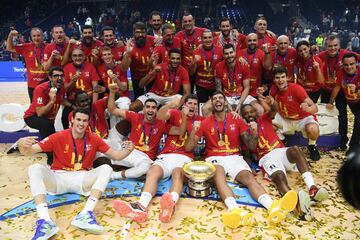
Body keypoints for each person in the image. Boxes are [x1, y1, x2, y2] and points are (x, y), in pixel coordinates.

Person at [185, 90, 298, 228]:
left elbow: (251, 146)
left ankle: (272, 206)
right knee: (219, 176)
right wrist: (193, 132)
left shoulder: (236, 119)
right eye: (215, 99)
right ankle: (235, 210)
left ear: (225, 102)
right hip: (215, 158)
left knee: (249, 179)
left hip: (235, 157)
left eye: (221, 98)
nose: (218, 101)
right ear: (211, 103)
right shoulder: (204, 122)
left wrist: (255, 132)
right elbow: (189, 148)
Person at [18, 108, 135, 240]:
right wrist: (22, 144)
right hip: (58, 179)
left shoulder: (94, 138)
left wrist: (128, 151)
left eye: (85, 121)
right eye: (78, 119)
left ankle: (86, 214)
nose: (81, 123)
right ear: (72, 120)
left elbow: (116, 156)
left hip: (82, 179)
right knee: (35, 168)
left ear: (88, 122)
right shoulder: (58, 136)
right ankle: (44, 221)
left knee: (106, 168)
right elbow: (29, 151)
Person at [113, 95, 204, 223]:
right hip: (166, 155)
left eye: (195, 104)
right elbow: (160, 117)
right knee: (152, 172)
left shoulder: (200, 121)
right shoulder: (174, 113)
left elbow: (189, 147)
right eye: (190, 103)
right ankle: (140, 207)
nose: (193, 106)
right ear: (184, 105)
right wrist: (170, 105)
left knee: (177, 175)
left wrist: (194, 131)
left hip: (184, 156)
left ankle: (169, 205)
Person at [241, 98, 329, 220]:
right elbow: (249, 150)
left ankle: (312, 188)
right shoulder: (243, 131)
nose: (249, 115)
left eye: (251, 112)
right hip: (266, 158)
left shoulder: (264, 119)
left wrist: (272, 102)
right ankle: (297, 206)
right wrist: (254, 132)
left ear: (256, 112)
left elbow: (275, 109)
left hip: (280, 151)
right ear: (242, 116)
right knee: (279, 177)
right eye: (245, 113)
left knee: (295, 149)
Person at [107, 84, 178, 179]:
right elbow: (112, 110)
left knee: (145, 168)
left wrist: (184, 116)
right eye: (148, 107)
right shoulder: (135, 116)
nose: (150, 109)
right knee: (104, 143)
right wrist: (112, 93)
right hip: (128, 151)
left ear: (157, 111)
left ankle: (114, 175)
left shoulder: (161, 124)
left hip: (144, 158)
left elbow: (179, 131)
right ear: (143, 109)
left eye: (153, 107)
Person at [270, 66, 321, 161]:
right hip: (285, 118)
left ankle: (312, 146)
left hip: (302, 118)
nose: (280, 80)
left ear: (287, 78)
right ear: (274, 80)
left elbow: (315, 108)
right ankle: (282, 140)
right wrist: (267, 101)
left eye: (282, 77)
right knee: (268, 124)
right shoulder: (273, 89)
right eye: (277, 78)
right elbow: (274, 107)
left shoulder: (296, 89)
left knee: (313, 129)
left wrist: (308, 109)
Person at [23, 66, 71, 165]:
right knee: (48, 127)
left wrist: (74, 106)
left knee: (49, 130)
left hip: (47, 119)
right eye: (56, 76)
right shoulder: (41, 89)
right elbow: (40, 113)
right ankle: (51, 159)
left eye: (61, 76)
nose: (59, 78)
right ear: (50, 77)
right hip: (32, 117)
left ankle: (50, 153)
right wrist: (51, 101)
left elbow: (62, 100)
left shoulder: (61, 88)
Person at [319, 35, 351, 150]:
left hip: (341, 91)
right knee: (325, 114)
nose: (332, 48)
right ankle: (324, 138)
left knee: (342, 114)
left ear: (339, 46)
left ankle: (343, 139)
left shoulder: (346, 54)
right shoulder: (321, 56)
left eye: (335, 45)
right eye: (330, 46)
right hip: (326, 90)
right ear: (326, 46)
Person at [214, 43, 262, 113]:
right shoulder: (218, 66)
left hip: (241, 95)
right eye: (226, 54)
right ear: (223, 55)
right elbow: (219, 89)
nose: (229, 55)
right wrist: (226, 103)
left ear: (235, 52)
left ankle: (254, 124)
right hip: (226, 96)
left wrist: (240, 104)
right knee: (205, 108)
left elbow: (247, 87)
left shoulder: (243, 65)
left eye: (231, 52)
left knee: (260, 109)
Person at [327, 53, 360, 153]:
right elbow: (337, 87)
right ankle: (342, 139)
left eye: (351, 64)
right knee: (341, 114)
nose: (349, 67)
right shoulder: (341, 72)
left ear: (357, 64)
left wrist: (357, 89)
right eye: (346, 65)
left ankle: (353, 146)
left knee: (358, 120)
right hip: (348, 99)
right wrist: (331, 101)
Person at [62, 48, 101, 129]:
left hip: (88, 99)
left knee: (97, 114)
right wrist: (73, 81)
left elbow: (96, 88)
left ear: (84, 57)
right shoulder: (66, 68)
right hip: (73, 100)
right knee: (65, 117)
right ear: (72, 58)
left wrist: (94, 104)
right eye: (75, 56)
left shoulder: (90, 66)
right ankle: (69, 136)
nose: (77, 58)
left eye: (80, 55)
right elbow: (65, 89)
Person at [6, 27, 48, 102]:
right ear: (31, 37)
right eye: (34, 36)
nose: (36, 38)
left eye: (38, 35)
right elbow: (9, 48)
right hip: (32, 86)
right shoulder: (26, 47)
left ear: (42, 36)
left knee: (47, 109)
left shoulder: (49, 47)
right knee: (34, 107)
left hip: (46, 84)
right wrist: (10, 36)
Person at [237, 33, 272, 112]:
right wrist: (237, 61)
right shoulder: (239, 53)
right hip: (240, 93)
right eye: (249, 40)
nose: (252, 42)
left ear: (258, 42)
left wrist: (267, 52)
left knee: (260, 111)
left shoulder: (262, 53)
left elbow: (268, 67)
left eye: (254, 40)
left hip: (255, 93)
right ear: (246, 42)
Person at [121, 22, 155, 99]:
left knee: (153, 100)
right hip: (137, 78)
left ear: (146, 32)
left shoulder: (153, 40)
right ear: (133, 33)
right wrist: (128, 53)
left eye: (142, 32)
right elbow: (124, 68)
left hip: (151, 77)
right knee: (138, 99)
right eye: (137, 32)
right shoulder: (129, 45)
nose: (140, 35)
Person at [191, 29, 223, 103]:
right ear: (201, 39)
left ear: (213, 38)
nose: (207, 40)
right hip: (201, 86)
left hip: (215, 86)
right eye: (205, 38)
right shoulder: (196, 52)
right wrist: (193, 63)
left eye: (209, 37)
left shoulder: (220, 51)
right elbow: (192, 73)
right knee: (202, 108)